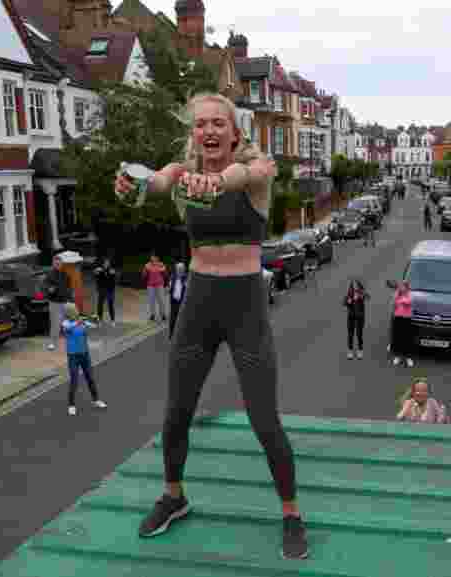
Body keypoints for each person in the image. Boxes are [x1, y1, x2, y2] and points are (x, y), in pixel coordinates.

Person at [114, 92, 306, 558]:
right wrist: (131, 184)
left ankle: (291, 513)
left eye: (219, 123)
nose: (210, 131)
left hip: (245, 305)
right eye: (201, 124)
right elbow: (157, 182)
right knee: (176, 412)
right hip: (199, 302)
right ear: (193, 133)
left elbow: (253, 172)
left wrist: (222, 181)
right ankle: (174, 496)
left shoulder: (256, 173)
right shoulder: (183, 175)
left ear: (234, 132)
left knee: (264, 420)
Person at [61, 304, 106, 416]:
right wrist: (79, 321)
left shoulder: (82, 321)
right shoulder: (65, 323)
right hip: (73, 356)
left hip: (85, 355)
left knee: (90, 377)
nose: (77, 311)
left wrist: (96, 320)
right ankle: (71, 405)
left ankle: (96, 400)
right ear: (69, 312)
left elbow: (95, 327)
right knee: (74, 380)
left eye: (76, 309)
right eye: (74, 310)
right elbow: (68, 328)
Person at [43, 255, 73, 352]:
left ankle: (69, 341)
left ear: (62, 264)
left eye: (59, 263)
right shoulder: (49, 274)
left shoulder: (65, 274)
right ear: (53, 264)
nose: (58, 265)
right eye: (56, 264)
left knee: (66, 322)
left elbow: (68, 287)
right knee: (55, 323)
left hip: (64, 302)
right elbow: (44, 286)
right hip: (54, 302)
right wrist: (49, 289)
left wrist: (70, 298)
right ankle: (52, 343)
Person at [389, 280, 415, 368]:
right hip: (398, 318)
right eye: (401, 286)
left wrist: (401, 299)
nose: (401, 288)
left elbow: (408, 302)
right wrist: (397, 294)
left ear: (407, 287)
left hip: (407, 319)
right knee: (398, 337)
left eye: (403, 286)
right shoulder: (397, 294)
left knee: (407, 338)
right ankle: (398, 357)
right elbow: (393, 303)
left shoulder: (410, 294)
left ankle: (408, 358)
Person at [344, 279, 369, 360]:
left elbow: (368, 297)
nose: (355, 287)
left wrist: (361, 295)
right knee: (350, 334)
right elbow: (344, 303)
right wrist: (348, 301)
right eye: (353, 285)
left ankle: (360, 351)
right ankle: (350, 351)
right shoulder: (349, 294)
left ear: (359, 286)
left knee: (359, 334)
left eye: (356, 285)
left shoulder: (361, 293)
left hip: (360, 317)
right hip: (351, 316)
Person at [143, 255, 168, 323]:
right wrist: (145, 271)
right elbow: (144, 276)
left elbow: (166, 275)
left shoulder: (161, 264)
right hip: (150, 285)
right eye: (152, 257)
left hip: (159, 285)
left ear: (157, 258)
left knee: (161, 300)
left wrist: (163, 270)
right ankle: (152, 315)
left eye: (155, 257)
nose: (153, 259)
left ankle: (163, 314)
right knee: (151, 301)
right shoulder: (147, 265)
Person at [93, 256, 118, 326]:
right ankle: (100, 319)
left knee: (111, 305)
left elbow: (115, 279)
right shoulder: (99, 269)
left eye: (108, 263)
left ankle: (112, 320)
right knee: (100, 305)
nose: (106, 264)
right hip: (102, 290)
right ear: (103, 263)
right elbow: (95, 277)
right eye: (105, 263)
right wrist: (96, 272)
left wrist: (114, 274)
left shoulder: (112, 270)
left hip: (110, 290)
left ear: (109, 263)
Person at [169, 261, 189, 338]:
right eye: (178, 269)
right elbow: (170, 287)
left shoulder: (186, 278)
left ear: (184, 270)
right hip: (174, 301)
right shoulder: (173, 277)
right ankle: (172, 335)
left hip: (183, 302)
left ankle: (183, 335)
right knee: (173, 318)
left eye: (181, 269)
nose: (179, 270)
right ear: (176, 269)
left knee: (183, 319)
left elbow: (188, 289)